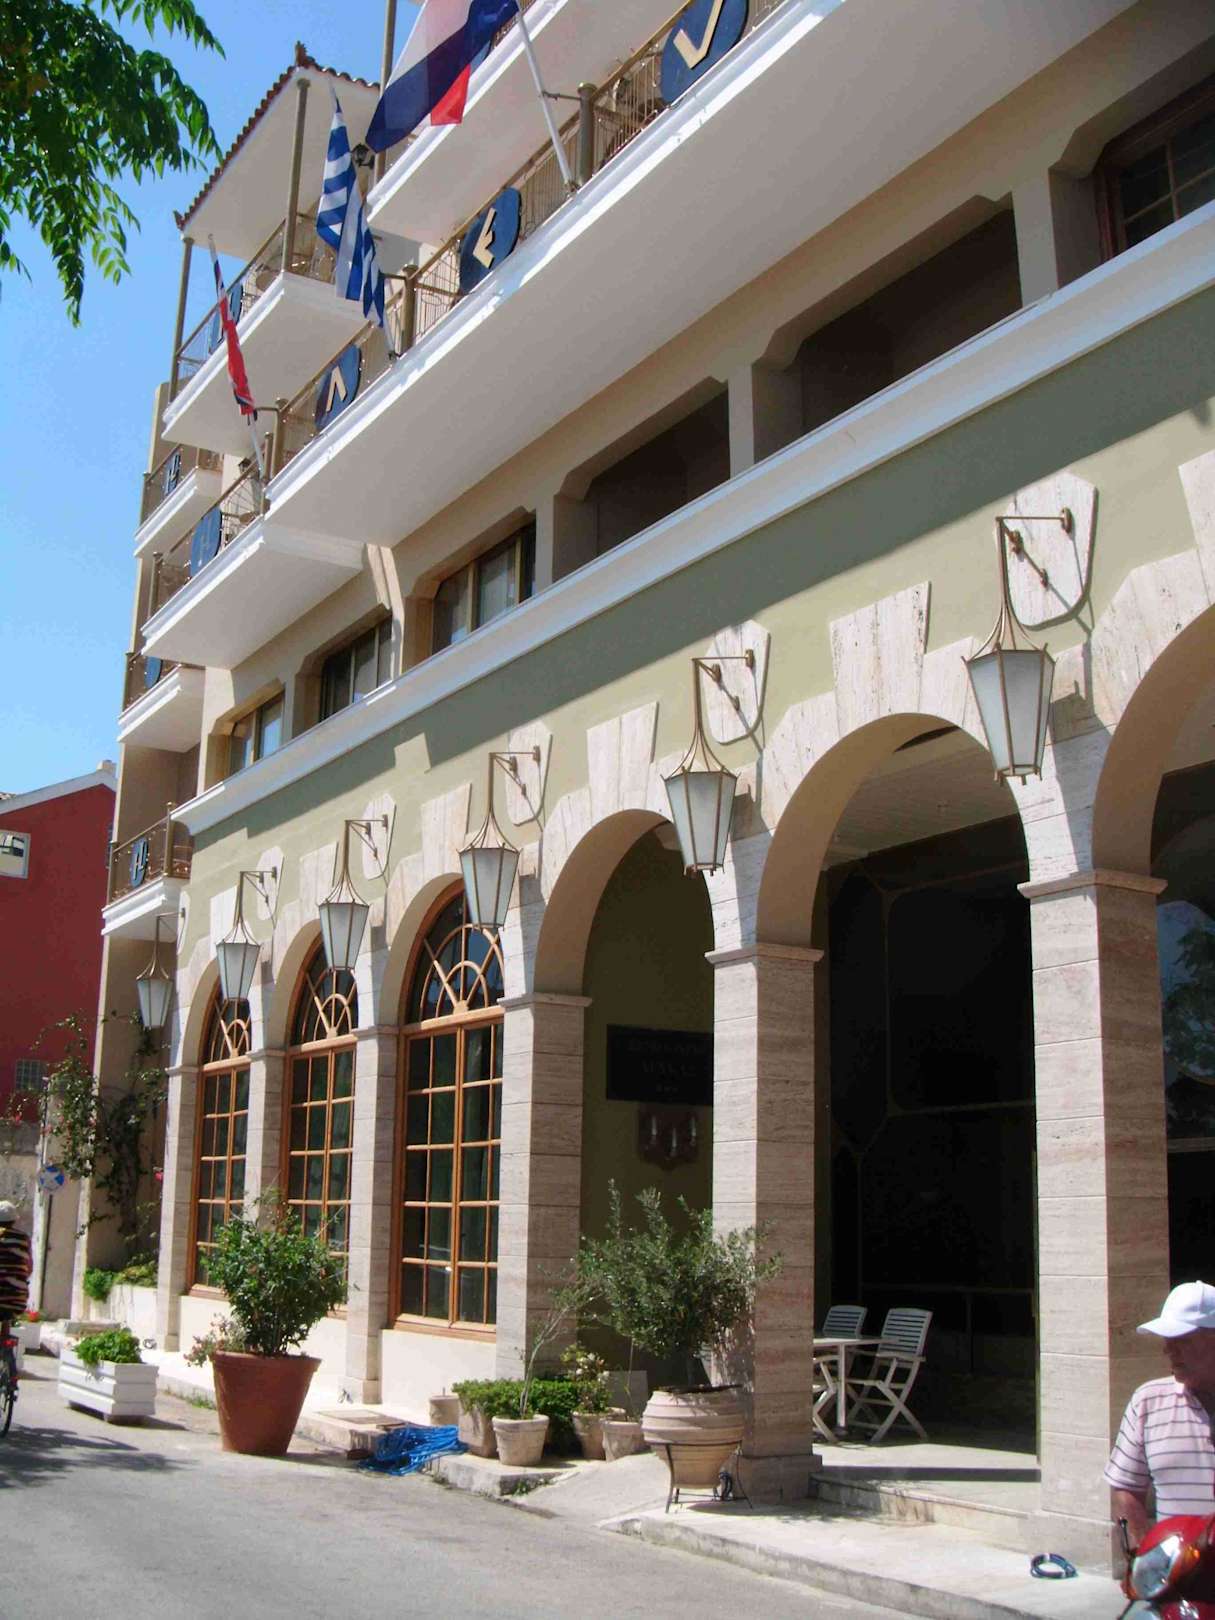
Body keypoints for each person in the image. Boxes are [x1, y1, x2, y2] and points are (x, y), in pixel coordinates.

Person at [1105, 1280, 1215, 1546]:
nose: (1168, 1349)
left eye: (1182, 1340)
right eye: (1167, 1340)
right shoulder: (1148, 1401)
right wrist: (1146, 1557)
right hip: (1176, 1570)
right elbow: (1126, 1489)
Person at [0, 1201, 32, 1334]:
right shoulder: (23, 1238)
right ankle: (6, 1337)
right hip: (17, 1299)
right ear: (13, 1220)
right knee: (8, 1313)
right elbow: (29, 1267)